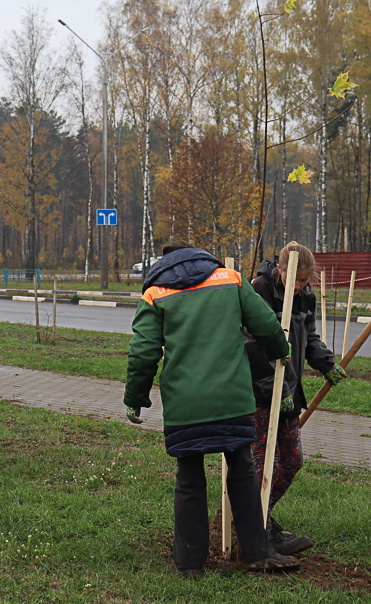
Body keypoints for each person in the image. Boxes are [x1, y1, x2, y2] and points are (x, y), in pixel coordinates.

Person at [124, 242, 300, 576]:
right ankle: (256, 552)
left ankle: (189, 563)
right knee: (242, 470)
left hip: (185, 405)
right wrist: (281, 350)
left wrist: (135, 398)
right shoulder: (230, 279)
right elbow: (265, 324)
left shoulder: (154, 294)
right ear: (201, 257)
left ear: (163, 263)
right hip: (232, 398)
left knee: (189, 479)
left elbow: (143, 352)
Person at [245, 241, 347, 555]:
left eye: (305, 280)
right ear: (280, 269)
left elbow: (310, 337)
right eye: (296, 279)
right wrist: (273, 389)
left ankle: (255, 515)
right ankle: (258, 530)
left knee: (291, 461)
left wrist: (326, 363)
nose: (300, 285)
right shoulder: (260, 290)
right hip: (260, 392)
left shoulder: (306, 297)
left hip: (289, 392)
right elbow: (252, 345)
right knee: (263, 464)